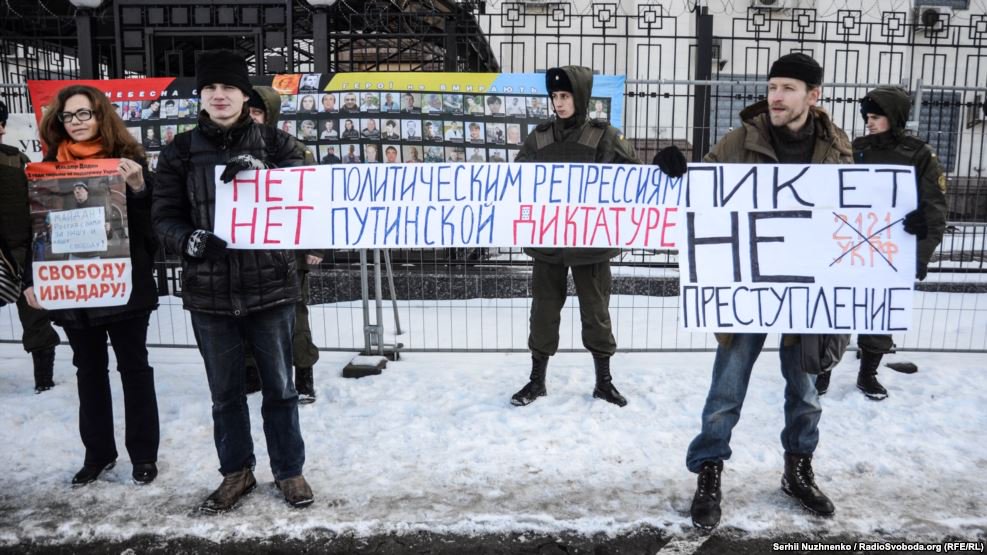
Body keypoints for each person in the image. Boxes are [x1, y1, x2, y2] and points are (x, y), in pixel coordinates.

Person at [685, 53, 852, 530]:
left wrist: (901, 222)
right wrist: (676, 172)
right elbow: (705, 188)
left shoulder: (837, 147)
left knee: (805, 391)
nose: (775, 96)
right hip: (749, 286)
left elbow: (856, 210)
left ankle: (798, 469)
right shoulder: (742, 140)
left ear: (813, 95)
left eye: (787, 88)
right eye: (772, 86)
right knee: (726, 388)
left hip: (808, 287)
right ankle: (709, 471)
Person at [152, 50, 313, 512]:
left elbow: (310, 199)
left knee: (281, 389)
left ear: (245, 95)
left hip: (271, 288)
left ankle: (289, 471)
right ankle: (236, 473)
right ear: (201, 97)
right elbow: (164, 217)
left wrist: (270, 179)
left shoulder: (277, 144)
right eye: (210, 89)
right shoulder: (180, 150)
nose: (219, 96)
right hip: (209, 293)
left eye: (229, 88)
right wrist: (190, 240)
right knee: (225, 394)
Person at [509, 66, 686, 410]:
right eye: (555, 97)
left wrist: (662, 167)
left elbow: (636, 180)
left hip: (591, 245)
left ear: (581, 97)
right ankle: (537, 380)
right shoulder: (540, 137)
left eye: (565, 96)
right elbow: (514, 180)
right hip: (548, 245)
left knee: (597, 313)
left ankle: (604, 382)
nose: (559, 103)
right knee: (543, 312)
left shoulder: (604, 136)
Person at [27, 84, 160, 486]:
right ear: (58, 121)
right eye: (69, 116)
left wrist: (138, 190)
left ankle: (143, 455)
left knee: (134, 369)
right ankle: (98, 453)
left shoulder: (129, 163)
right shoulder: (47, 170)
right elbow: (36, 232)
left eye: (85, 114)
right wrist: (35, 281)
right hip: (75, 289)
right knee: (88, 372)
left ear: (101, 115)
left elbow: (150, 232)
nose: (77, 123)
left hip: (122, 287)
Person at [813, 86, 948, 400]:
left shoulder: (919, 155)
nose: (870, 122)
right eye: (867, 117)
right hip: (847, 245)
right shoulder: (854, 149)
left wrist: (921, 251)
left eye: (876, 117)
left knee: (879, 312)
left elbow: (934, 208)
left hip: (892, 250)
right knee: (837, 309)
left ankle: (868, 373)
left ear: (895, 117)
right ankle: (823, 371)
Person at [245, 85, 324, 403]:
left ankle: (303, 375)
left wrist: (316, 246)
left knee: (295, 314)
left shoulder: (294, 151)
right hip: (247, 247)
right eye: (246, 112)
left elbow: (313, 199)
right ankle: (252, 374)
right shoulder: (226, 153)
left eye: (257, 112)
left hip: (289, 250)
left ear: (269, 115)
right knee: (247, 311)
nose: (251, 118)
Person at [0, 100, 61, 393]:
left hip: (24, 253)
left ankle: (44, 382)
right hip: (17, 253)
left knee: (36, 317)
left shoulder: (17, 161)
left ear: (2, 127)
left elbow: (38, 206)